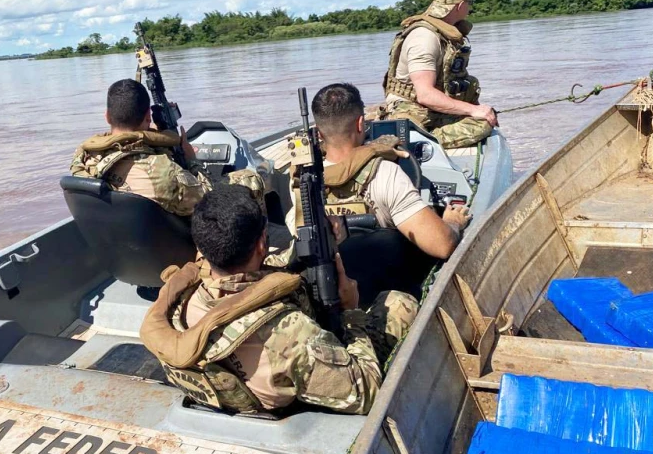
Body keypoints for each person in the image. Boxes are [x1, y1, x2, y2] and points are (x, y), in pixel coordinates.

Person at [140, 184, 418, 415]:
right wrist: (350, 311)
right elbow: (368, 391)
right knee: (398, 303)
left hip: (247, 392)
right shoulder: (291, 334)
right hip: (303, 400)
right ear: (263, 243)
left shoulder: (179, 299)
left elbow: (263, 273)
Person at [311, 83, 471, 260]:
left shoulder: (303, 181)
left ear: (319, 133)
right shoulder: (385, 173)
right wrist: (453, 222)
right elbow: (443, 245)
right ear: (360, 124)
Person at [70, 79, 265, 216]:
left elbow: (128, 143)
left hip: (124, 243)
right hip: (173, 244)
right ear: (148, 117)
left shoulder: (84, 157)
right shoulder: (165, 173)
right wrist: (192, 160)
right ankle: (257, 250)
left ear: (107, 116)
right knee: (251, 179)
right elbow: (208, 199)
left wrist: (159, 135)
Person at [372, 0, 497, 149]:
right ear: (460, 5)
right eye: (469, 3)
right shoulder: (425, 38)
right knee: (483, 123)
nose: (470, 8)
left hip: (427, 109)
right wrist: (473, 110)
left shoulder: (441, 32)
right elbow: (425, 94)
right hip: (412, 112)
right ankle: (417, 140)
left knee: (483, 112)